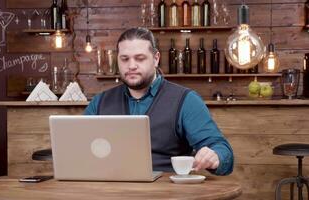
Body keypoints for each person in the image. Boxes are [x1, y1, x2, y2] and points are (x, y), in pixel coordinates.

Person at [84, 27, 233, 175]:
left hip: (167, 193)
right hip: (110, 189)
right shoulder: (100, 102)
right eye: (125, 59)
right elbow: (79, 148)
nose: (131, 66)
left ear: (156, 59)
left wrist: (215, 156)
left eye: (140, 58)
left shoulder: (186, 100)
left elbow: (222, 150)